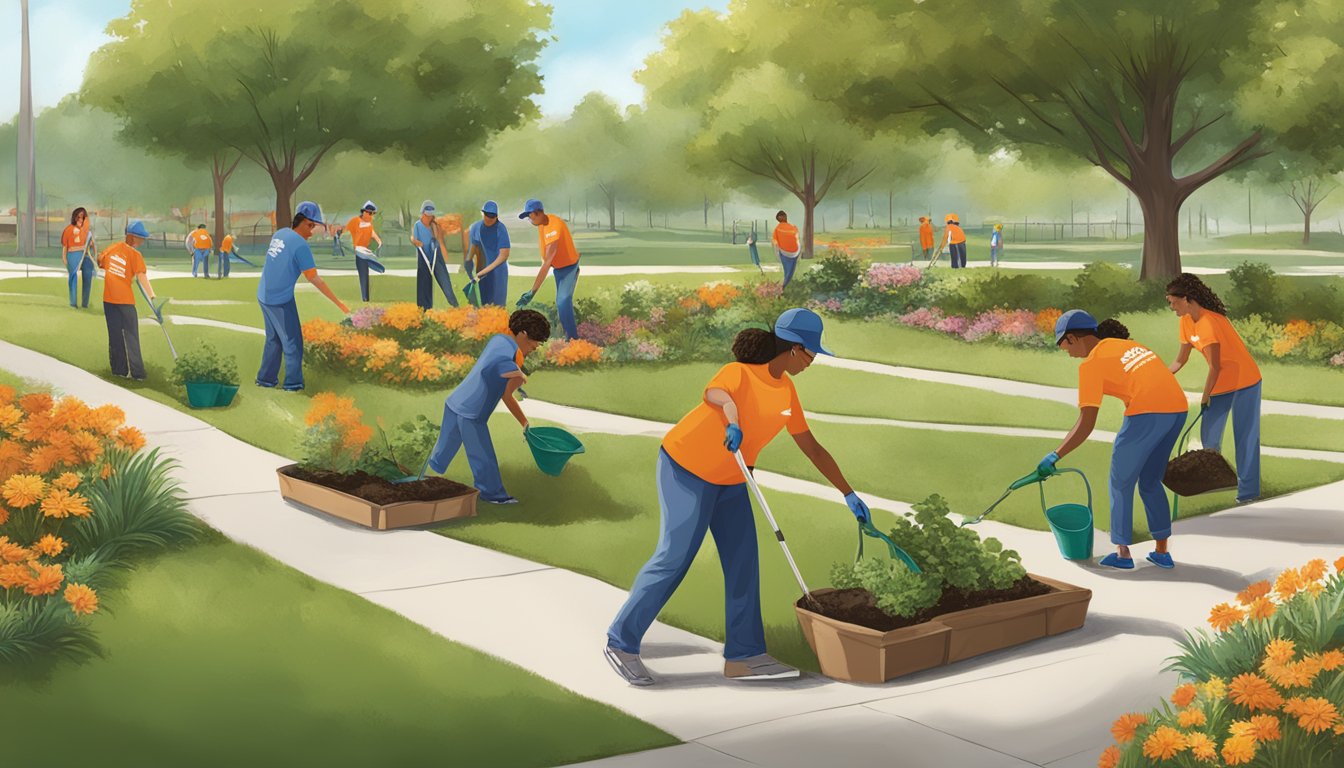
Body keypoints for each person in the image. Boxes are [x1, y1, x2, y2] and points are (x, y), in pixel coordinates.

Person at [604, 308, 874, 686]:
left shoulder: (787, 391)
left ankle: (744, 656)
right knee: (674, 557)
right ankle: (621, 642)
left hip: (733, 478)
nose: (813, 362)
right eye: (811, 354)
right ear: (794, 349)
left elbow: (810, 446)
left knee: (744, 561)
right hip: (687, 468)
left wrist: (848, 493)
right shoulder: (741, 372)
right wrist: (732, 418)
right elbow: (716, 393)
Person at [1041, 310, 1188, 570]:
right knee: (1151, 481)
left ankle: (1123, 554)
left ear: (1073, 338)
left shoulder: (1091, 365)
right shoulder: (1128, 345)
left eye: (1063, 346)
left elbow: (1086, 422)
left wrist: (1056, 454)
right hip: (1177, 408)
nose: (1066, 352)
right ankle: (1162, 552)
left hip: (1146, 412)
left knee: (1120, 481)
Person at [427, 309, 550, 505]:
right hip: (470, 411)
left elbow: (506, 395)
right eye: (536, 340)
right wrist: (517, 373)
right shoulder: (504, 346)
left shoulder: (504, 345)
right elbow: (493, 366)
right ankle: (494, 495)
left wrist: (524, 422)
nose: (537, 346)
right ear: (523, 334)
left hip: (455, 403)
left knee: (442, 453)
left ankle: (428, 476)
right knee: (482, 455)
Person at [1165, 274, 1262, 504]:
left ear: (1187, 299)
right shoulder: (1186, 322)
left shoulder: (1210, 323)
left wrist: (1205, 396)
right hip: (1221, 382)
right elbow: (1180, 360)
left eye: (1173, 302)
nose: (1171, 307)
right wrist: (1160, 377)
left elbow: (1214, 366)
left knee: (1245, 436)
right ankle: (1217, 483)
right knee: (1210, 438)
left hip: (1245, 381)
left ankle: (1247, 492)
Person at [255, 201, 350, 392]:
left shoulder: (280, 234)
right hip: (279, 300)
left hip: (264, 294)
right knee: (292, 342)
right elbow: (314, 278)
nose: (312, 231)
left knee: (273, 339)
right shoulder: (300, 245)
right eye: (312, 226)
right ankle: (293, 384)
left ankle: (266, 379)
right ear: (305, 222)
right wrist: (338, 303)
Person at [97, 220, 157, 381]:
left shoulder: (112, 248)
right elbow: (142, 276)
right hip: (124, 301)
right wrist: (152, 295)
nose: (142, 241)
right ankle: (136, 373)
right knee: (131, 335)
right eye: (140, 237)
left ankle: (119, 370)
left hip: (109, 300)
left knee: (115, 335)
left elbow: (100, 261)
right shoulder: (135, 255)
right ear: (132, 237)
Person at [517, 199, 580, 339]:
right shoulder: (541, 224)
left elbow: (547, 263)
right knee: (561, 303)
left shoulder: (554, 226)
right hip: (558, 269)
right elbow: (547, 258)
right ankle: (567, 335)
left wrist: (532, 291)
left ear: (538, 213)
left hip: (569, 268)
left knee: (563, 301)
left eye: (530, 215)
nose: (529, 219)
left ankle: (574, 340)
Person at [411, 200, 457, 310]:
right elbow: (414, 238)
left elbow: (438, 239)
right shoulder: (417, 225)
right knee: (424, 284)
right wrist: (415, 242)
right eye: (427, 214)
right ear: (423, 213)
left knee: (445, 282)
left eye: (431, 215)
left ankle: (455, 306)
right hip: (423, 258)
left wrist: (435, 234)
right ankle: (424, 309)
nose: (429, 217)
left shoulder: (434, 225)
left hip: (436, 256)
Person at [465, 201, 511, 306]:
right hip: (482, 272)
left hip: (498, 272)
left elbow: (504, 255)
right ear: (483, 214)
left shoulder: (501, 229)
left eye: (492, 216)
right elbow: (474, 246)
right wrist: (468, 260)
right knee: (481, 305)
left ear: (496, 216)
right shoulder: (476, 227)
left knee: (497, 307)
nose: (489, 219)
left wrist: (485, 271)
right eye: (487, 215)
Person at [338, 201, 384, 302]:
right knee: (363, 274)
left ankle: (366, 297)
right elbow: (346, 233)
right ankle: (365, 298)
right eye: (368, 213)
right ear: (363, 212)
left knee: (367, 272)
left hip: (366, 251)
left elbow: (371, 232)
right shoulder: (355, 221)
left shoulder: (369, 223)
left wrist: (378, 240)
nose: (370, 215)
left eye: (372, 213)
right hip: (359, 251)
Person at [61, 207, 95, 309]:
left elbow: (92, 246)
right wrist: (64, 258)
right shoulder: (68, 230)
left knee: (88, 275)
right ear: (74, 217)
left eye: (83, 217)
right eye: (79, 217)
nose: (81, 219)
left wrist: (92, 250)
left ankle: (85, 303)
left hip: (85, 255)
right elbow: (65, 247)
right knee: (73, 276)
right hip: (73, 254)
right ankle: (73, 303)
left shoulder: (86, 231)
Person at [771, 210, 802, 288]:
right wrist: (799, 252)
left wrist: (777, 255)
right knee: (790, 272)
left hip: (785, 253)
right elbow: (797, 239)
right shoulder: (793, 227)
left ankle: (783, 287)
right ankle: (784, 286)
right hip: (794, 252)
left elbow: (775, 243)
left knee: (788, 271)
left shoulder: (777, 229)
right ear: (786, 217)